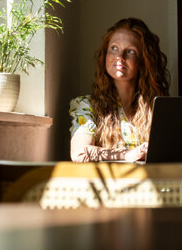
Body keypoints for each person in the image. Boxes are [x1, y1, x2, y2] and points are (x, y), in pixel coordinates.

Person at [69, 18, 171, 162]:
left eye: (130, 51)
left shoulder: (159, 107)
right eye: (114, 48)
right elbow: (79, 153)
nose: (119, 57)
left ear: (143, 61)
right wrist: (127, 155)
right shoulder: (86, 105)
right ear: (105, 55)